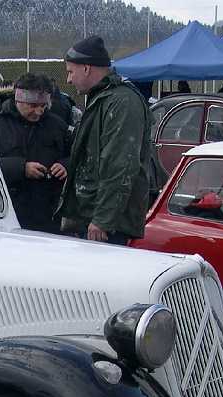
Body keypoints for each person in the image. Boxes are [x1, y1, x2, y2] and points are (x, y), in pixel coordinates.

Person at [58, 35, 153, 245]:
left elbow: (121, 164)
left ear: (86, 69)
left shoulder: (122, 102)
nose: (68, 79)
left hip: (105, 226)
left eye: (70, 72)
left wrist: (103, 219)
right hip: (93, 218)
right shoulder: (104, 99)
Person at [0, 73, 70, 234]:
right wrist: (21, 168)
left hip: (49, 217)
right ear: (18, 101)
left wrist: (65, 165)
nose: (39, 112)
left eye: (43, 106)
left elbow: (77, 156)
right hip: (9, 216)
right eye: (33, 106)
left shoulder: (58, 126)